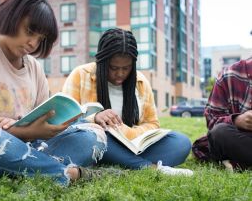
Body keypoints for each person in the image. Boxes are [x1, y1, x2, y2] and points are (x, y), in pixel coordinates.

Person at [0, 0, 108, 186]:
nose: (33, 43)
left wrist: (53, 126)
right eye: (29, 31)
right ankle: (64, 173)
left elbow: (43, 116)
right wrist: (21, 131)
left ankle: (30, 168)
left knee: (93, 133)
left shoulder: (34, 67)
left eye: (40, 38)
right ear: (11, 18)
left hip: (25, 146)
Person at [62, 28, 193, 175]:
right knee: (94, 136)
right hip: (93, 142)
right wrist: (95, 118)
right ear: (102, 62)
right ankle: (146, 167)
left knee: (181, 143)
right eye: (113, 68)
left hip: (131, 145)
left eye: (126, 68)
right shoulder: (81, 75)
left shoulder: (140, 82)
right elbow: (66, 120)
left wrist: (128, 132)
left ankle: (118, 160)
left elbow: (153, 124)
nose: (120, 74)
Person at [192, 58, 252, 171]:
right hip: (238, 138)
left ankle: (237, 164)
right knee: (219, 132)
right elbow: (212, 120)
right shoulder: (230, 74)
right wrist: (237, 120)